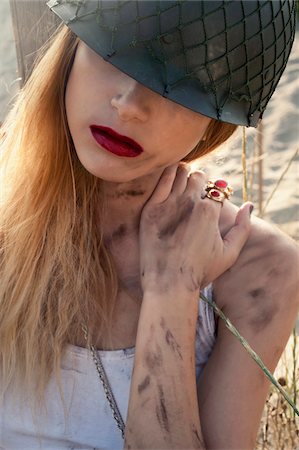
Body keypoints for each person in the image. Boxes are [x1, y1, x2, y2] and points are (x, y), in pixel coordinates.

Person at [0, 1, 298, 449]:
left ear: (215, 119)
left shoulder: (258, 268)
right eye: (114, 54)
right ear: (70, 52)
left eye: (182, 85)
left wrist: (173, 288)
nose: (130, 105)